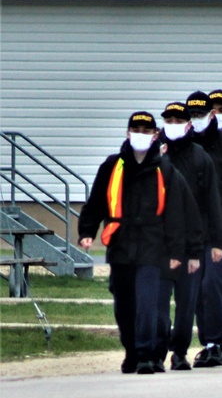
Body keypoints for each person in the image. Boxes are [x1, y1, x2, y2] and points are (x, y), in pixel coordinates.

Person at [78, 112, 188, 374]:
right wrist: (87, 231)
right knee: (124, 303)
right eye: (136, 128)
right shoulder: (112, 166)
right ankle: (130, 350)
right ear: (128, 133)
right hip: (121, 243)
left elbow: (174, 213)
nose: (141, 133)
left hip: (153, 245)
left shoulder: (165, 169)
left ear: (155, 135)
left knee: (148, 301)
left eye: (146, 129)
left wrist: (175, 250)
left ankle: (147, 354)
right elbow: (96, 203)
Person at [155, 100, 222, 370]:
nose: (173, 126)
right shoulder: (154, 154)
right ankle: (157, 348)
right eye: (168, 121)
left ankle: (180, 351)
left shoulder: (200, 157)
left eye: (178, 121)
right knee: (160, 299)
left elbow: (213, 202)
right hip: (161, 242)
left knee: (188, 302)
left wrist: (218, 241)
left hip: (192, 242)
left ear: (188, 125)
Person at [186, 91, 222, 361]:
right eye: (192, 115)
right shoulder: (180, 146)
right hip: (188, 231)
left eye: (202, 114)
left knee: (213, 284)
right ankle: (206, 340)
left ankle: (216, 343)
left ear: (212, 115)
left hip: (220, 229)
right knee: (194, 289)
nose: (197, 119)